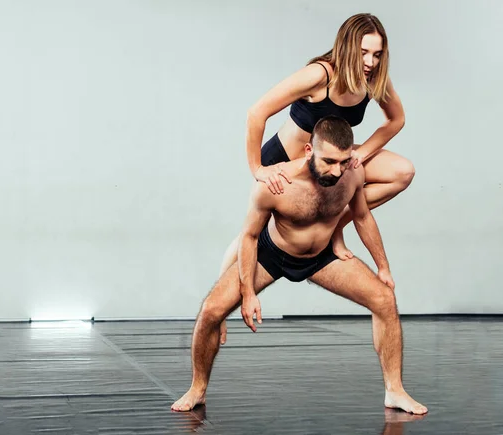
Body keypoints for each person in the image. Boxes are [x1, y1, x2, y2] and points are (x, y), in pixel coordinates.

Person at [171, 116, 427, 415]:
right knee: (212, 310)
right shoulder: (276, 183)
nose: (336, 170)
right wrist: (248, 293)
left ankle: (394, 391)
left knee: (384, 299)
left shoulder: (352, 175)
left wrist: (383, 267)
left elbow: (362, 217)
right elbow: (250, 237)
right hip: (272, 254)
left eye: (343, 161)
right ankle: (197, 388)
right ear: (308, 151)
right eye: (329, 160)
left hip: (322, 257)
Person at [219, 12, 413, 344]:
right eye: (364, 52)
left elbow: (396, 120)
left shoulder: (372, 80)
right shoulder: (320, 75)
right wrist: (257, 170)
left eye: (377, 54)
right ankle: (219, 309)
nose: (370, 61)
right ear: (347, 47)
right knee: (248, 238)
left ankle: (336, 226)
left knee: (402, 172)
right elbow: (257, 112)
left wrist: (361, 154)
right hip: (287, 162)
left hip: (330, 163)